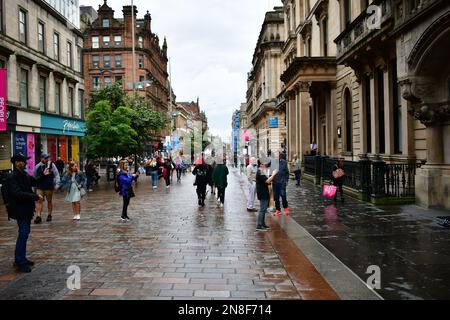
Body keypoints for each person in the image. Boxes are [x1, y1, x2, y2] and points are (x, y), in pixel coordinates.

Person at [3, 154, 42, 273]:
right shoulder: (12, 177)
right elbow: (17, 193)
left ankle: (20, 258)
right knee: (23, 234)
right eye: (22, 161)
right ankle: (20, 261)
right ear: (16, 163)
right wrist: (35, 196)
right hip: (19, 210)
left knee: (24, 234)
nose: (25, 163)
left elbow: (35, 181)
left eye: (25, 161)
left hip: (26, 209)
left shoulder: (24, 175)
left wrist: (45, 174)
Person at [34, 153, 60, 224]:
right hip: (40, 186)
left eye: (47, 158)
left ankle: (49, 214)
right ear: (41, 158)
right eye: (45, 158)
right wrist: (34, 186)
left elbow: (56, 174)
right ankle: (38, 216)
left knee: (49, 201)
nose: (46, 159)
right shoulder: (37, 166)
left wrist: (57, 184)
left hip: (49, 186)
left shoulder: (52, 165)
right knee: (39, 201)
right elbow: (35, 177)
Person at [256, 160, 277, 231]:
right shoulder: (260, 172)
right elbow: (267, 181)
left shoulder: (262, 171)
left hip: (264, 192)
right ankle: (259, 225)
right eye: (264, 164)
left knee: (264, 209)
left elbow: (268, 181)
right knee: (262, 209)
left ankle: (262, 224)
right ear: (261, 165)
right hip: (262, 193)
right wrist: (273, 175)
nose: (266, 165)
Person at [272, 151, 290, 216]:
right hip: (275, 183)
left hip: (282, 183)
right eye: (275, 155)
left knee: (283, 196)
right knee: (276, 197)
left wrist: (286, 180)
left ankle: (286, 208)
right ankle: (278, 210)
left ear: (279, 156)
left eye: (277, 155)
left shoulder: (284, 162)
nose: (276, 157)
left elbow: (287, 173)